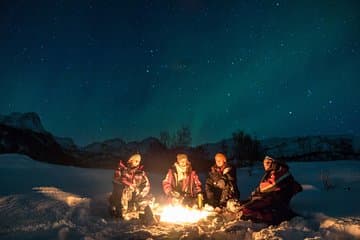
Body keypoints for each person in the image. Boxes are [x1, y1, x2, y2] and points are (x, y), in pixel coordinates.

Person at [239, 156, 303, 225]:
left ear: (274, 163)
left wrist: (259, 190)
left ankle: (266, 219)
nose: (266, 166)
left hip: (275, 201)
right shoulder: (274, 173)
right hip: (273, 200)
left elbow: (272, 185)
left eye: (268, 163)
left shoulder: (281, 171)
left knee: (248, 209)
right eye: (265, 163)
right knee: (246, 206)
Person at [109, 153, 152, 218]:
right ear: (129, 161)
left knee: (148, 198)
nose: (136, 162)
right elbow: (117, 180)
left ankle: (144, 212)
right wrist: (129, 186)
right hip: (120, 195)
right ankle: (120, 211)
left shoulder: (140, 173)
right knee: (124, 192)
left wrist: (139, 192)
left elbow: (146, 185)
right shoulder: (121, 170)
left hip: (135, 196)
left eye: (138, 161)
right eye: (134, 160)